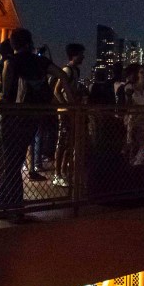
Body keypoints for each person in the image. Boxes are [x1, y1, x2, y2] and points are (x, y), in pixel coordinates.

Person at [0, 29, 74, 216]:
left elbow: (6, 95)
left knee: (9, 163)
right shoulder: (40, 61)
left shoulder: (10, 62)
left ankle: (10, 206)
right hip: (33, 118)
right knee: (17, 159)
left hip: (13, 118)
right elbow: (63, 76)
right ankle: (11, 205)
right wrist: (72, 101)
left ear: (12, 43)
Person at [53, 43, 85, 187]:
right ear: (74, 55)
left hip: (71, 112)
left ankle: (63, 172)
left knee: (69, 143)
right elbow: (56, 90)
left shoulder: (75, 71)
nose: (83, 56)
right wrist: (67, 107)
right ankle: (57, 174)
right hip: (66, 113)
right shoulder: (67, 70)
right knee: (62, 143)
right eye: (81, 54)